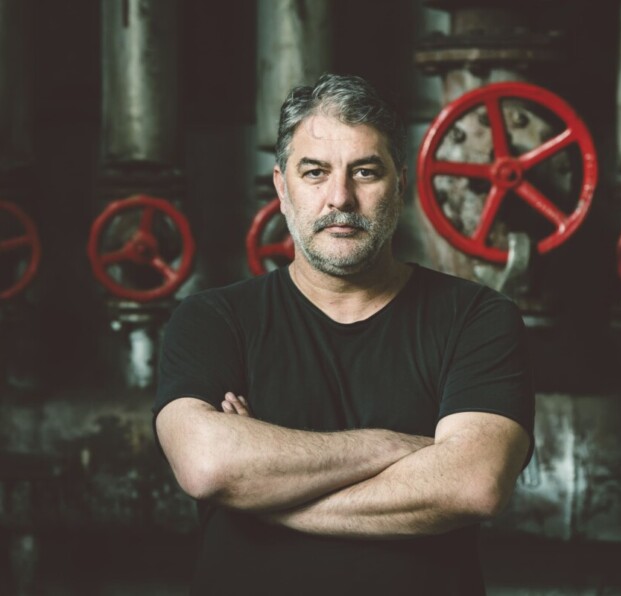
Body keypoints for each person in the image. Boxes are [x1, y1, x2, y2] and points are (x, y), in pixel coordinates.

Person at [153, 73, 534, 596]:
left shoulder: (477, 318)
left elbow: (473, 484)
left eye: (365, 172)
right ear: (281, 188)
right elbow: (208, 465)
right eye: (315, 172)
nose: (340, 198)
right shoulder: (212, 319)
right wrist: (394, 446)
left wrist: (263, 497)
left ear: (400, 183)